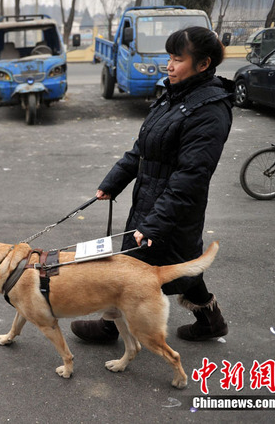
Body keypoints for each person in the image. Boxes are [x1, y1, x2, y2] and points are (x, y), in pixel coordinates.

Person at [71, 27, 234, 343]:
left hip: (172, 210)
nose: (169, 66)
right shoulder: (174, 95)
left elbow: (192, 176)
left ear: (203, 64)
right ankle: (210, 321)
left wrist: (155, 222)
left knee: (131, 269)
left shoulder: (210, 111)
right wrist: (113, 182)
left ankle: (108, 326)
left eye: (178, 59)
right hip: (151, 198)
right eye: (169, 57)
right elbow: (143, 148)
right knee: (182, 265)